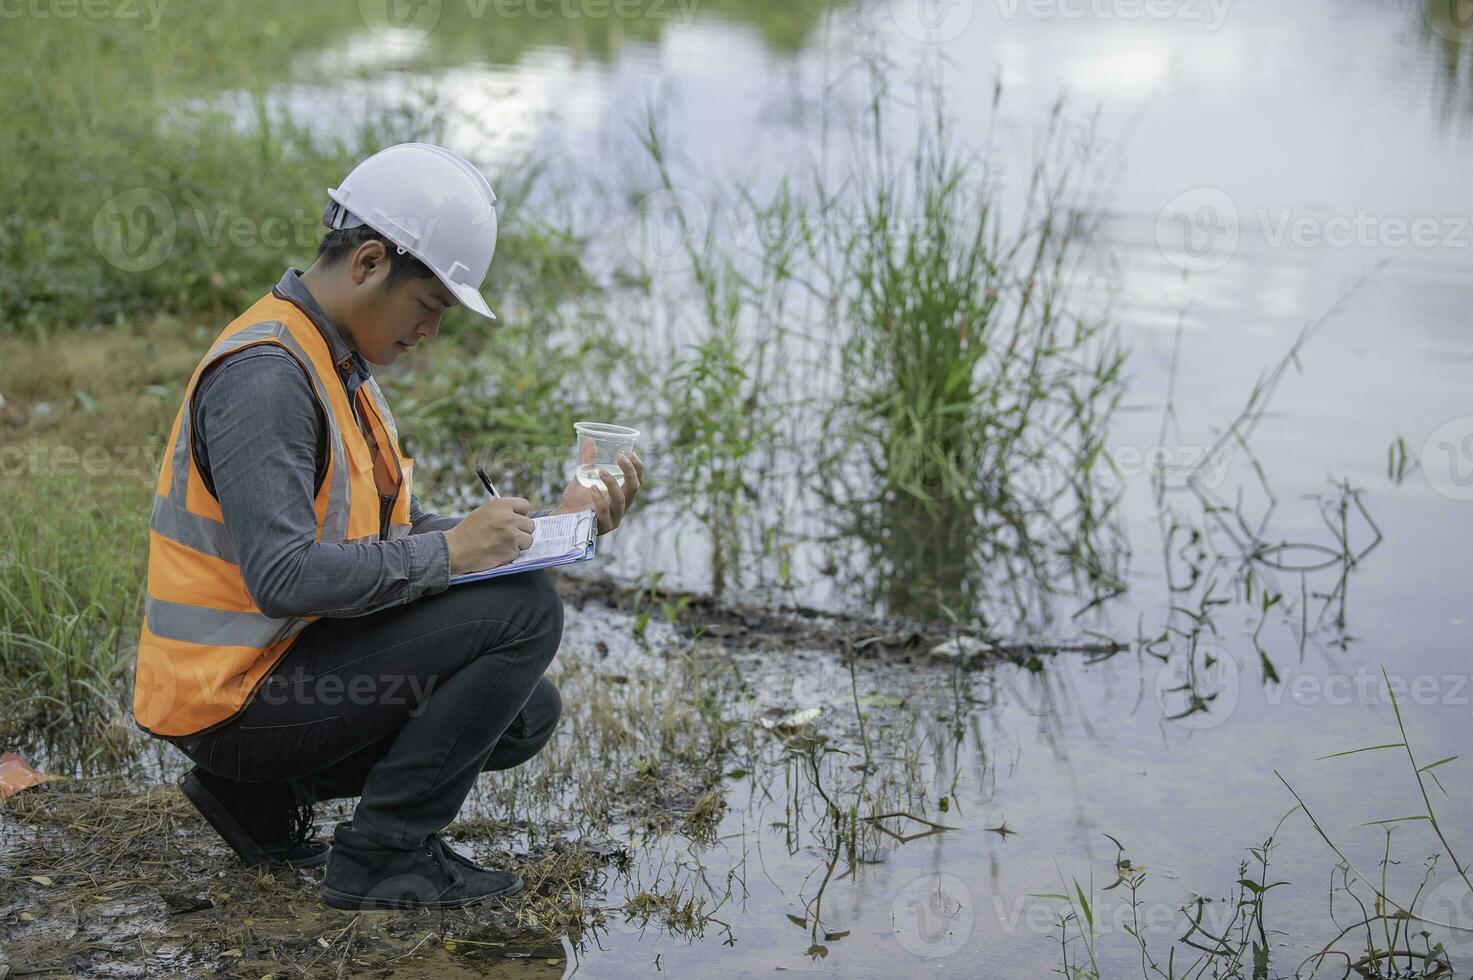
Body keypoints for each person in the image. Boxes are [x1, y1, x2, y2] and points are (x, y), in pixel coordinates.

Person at [130, 143, 643, 910]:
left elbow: (374, 534)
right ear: (369, 262)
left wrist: (548, 529)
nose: (430, 331)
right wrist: (450, 553)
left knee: (524, 713)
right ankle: (382, 855)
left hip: (274, 666)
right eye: (429, 307)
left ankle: (255, 797)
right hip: (228, 697)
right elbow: (285, 575)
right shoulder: (267, 376)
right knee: (526, 612)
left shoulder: (335, 360)